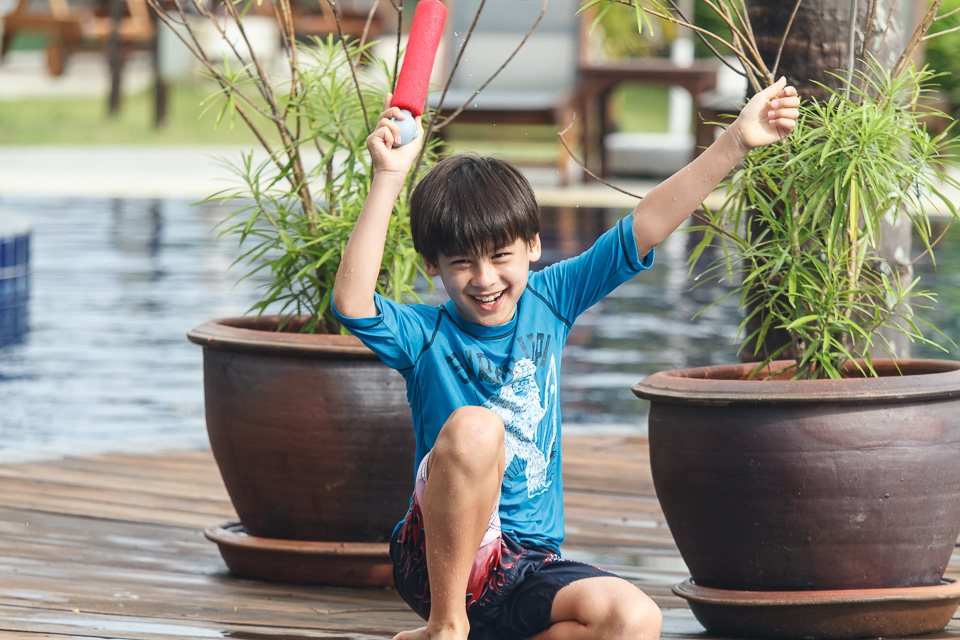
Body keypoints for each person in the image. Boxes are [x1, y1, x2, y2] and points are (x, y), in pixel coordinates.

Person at [331, 77, 801, 640]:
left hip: (529, 564)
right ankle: (446, 627)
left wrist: (737, 141)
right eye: (461, 263)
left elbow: (648, 223)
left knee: (635, 620)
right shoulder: (424, 334)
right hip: (437, 560)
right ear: (433, 265)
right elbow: (352, 302)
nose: (484, 279)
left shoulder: (551, 300)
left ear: (533, 245)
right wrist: (388, 176)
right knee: (478, 428)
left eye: (500, 256)